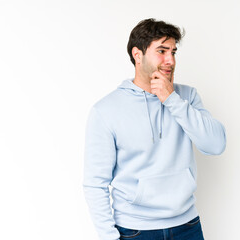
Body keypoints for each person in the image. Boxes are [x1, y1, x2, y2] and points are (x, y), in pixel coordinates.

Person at [83, 18, 226, 240]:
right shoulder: (106, 111)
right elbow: (95, 183)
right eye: (161, 51)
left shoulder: (187, 97)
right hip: (135, 231)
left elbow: (215, 145)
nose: (170, 60)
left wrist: (172, 99)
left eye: (173, 52)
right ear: (137, 55)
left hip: (188, 226)